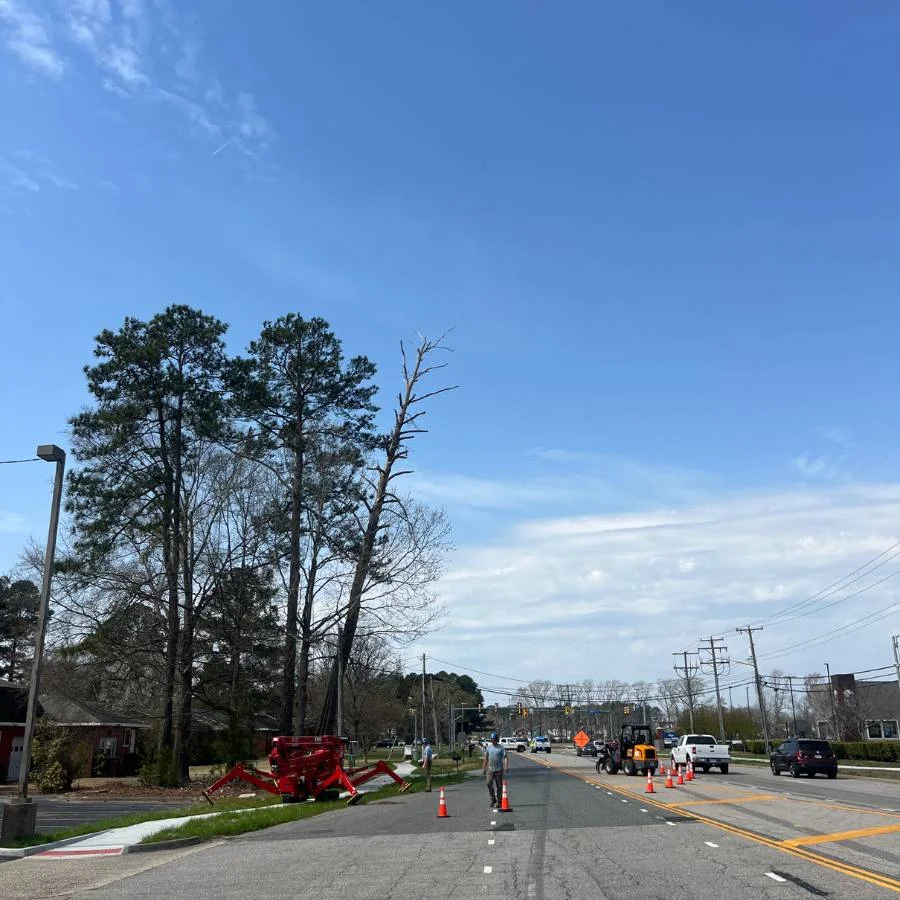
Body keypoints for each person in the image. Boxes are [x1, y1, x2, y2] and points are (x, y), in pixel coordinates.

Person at [482, 732, 508, 808]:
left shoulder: (501, 748)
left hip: (499, 769)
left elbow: (505, 757)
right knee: (488, 783)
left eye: (494, 739)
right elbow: (486, 758)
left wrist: (506, 766)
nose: (492, 741)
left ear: (497, 739)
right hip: (490, 769)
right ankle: (493, 799)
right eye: (491, 739)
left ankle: (499, 801)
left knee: (499, 786)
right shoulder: (489, 747)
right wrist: (484, 767)